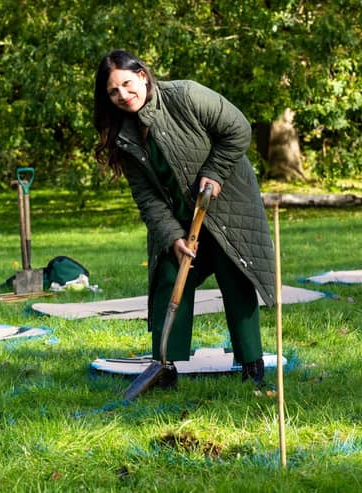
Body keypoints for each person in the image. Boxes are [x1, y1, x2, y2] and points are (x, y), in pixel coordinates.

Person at [93, 49, 276, 389]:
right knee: (167, 275)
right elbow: (146, 196)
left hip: (224, 207)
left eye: (127, 84)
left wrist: (215, 172)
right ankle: (166, 365)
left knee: (234, 275)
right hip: (179, 221)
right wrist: (172, 237)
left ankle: (252, 365)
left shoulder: (186, 95)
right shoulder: (124, 134)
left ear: (143, 76)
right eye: (113, 92)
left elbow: (237, 128)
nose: (122, 95)